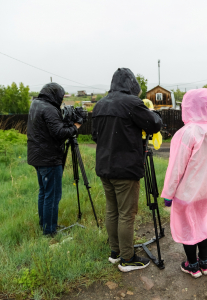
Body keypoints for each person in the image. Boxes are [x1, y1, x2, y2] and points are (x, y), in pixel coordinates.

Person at [92, 68, 163, 272]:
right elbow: (154, 125)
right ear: (131, 84)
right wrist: (152, 114)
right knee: (127, 214)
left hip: (105, 167)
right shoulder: (131, 103)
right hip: (125, 169)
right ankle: (128, 258)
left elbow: (95, 137)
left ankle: (115, 253)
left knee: (112, 210)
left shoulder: (100, 104)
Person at [161, 88, 207, 278]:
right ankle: (205, 262)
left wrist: (168, 193)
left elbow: (176, 168)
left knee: (188, 226)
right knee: (203, 224)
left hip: (187, 192)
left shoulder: (187, 133)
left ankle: (192, 264)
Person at [27, 83, 81, 237]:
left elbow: (49, 128)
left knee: (44, 192)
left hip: (37, 156)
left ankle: (45, 224)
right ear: (54, 95)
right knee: (53, 195)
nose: (61, 99)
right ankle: (50, 231)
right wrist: (76, 126)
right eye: (61, 96)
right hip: (49, 158)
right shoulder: (49, 108)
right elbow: (59, 133)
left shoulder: (36, 104)